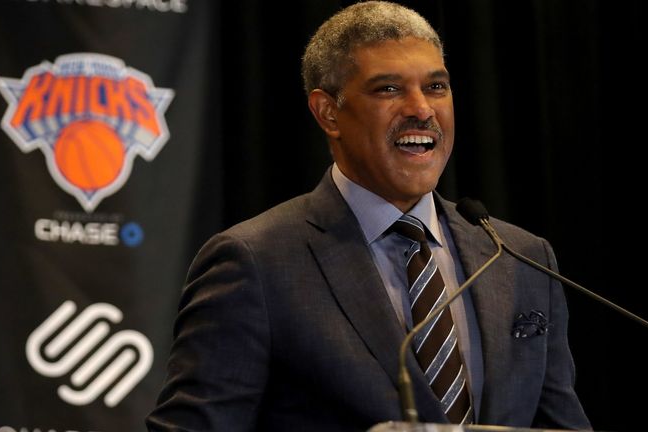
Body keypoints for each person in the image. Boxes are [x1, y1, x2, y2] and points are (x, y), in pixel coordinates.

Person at [146, 1, 591, 430]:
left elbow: (558, 425)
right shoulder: (255, 262)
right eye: (389, 89)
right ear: (328, 112)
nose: (421, 109)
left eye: (436, 86)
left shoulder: (518, 257)